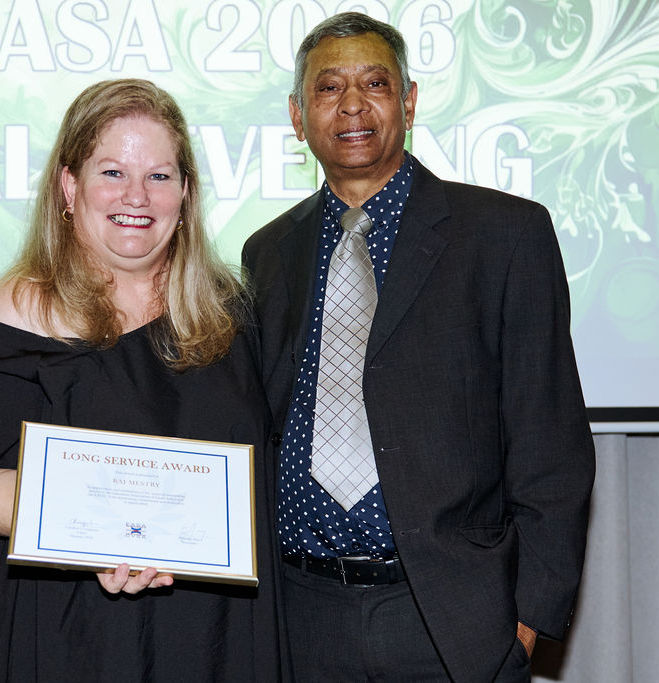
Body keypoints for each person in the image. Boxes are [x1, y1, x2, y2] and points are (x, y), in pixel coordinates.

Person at [242, 12, 595, 683]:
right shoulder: (268, 253)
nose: (352, 104)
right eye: (328, 88)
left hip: (453, 617)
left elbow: (550, 440)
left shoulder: (504, 234)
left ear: (408, 101)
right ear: (296, 116)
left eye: (374, 83)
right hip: (302, 615)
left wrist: (528, 618)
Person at [0, 79, 283, 682]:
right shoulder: (20, 311)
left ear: (185, 193)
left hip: (213, 631)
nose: (137, 196)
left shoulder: (229, 312)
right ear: (70, 186)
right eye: (113, 172)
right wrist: (100, 537)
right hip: (70, 628)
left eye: (159, 175)